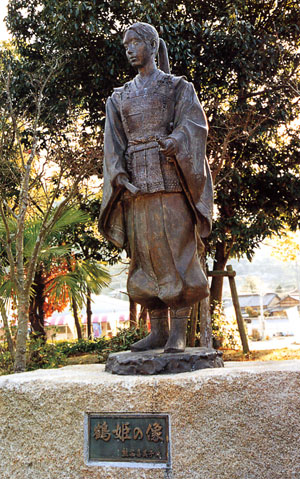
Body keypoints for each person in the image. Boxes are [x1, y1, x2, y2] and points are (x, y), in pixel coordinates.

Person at [99, 22, 213, 353]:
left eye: (135, 43)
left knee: (176, 254)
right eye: (125, 46)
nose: (130, 50)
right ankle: (158, 330)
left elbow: (194, 123)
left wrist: (177, 140)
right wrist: (118, 175)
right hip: (136, 188)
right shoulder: (119, 97)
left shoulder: (177, 87)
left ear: (152, 44)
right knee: (144, 257)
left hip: (171, 181)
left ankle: (178, 331)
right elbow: (113, 142)